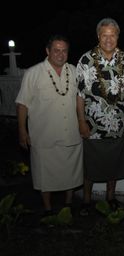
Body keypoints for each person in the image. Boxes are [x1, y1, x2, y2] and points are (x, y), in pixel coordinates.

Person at [15, 34, 83, 216]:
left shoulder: (75, 71)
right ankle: (47, 208)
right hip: (44, 135)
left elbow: (80, 100)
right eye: (56, 50)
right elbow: (22, 104)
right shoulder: (33, 73)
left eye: (64, 50)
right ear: (47, 51)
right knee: (45, 175)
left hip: (70, 133)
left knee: (70, 171)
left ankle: (68, 204)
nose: (60, 54)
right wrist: (22, 131)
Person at [76, 18, 124, 216]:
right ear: (98, 36)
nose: (109, 39)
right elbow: (80, 95)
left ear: (118, 36)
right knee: (91, 163)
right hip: (94, 125)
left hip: (121, 123)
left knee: (114, 163)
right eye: (104, 35)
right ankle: (87, 200)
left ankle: (111, 197)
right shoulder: (86, 60)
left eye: (113, 34)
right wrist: (82, 121)